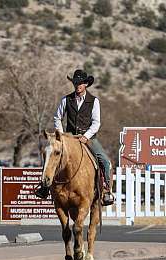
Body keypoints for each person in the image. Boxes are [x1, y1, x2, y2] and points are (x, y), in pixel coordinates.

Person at [35, 69, 115, 206]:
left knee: (105, 161)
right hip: (69, 138)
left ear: (86, 84)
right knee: (52, 156)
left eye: (81, 83)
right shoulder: (66, 99)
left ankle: (106, 191)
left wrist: (86, 136)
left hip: (88, 138)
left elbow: (96, 123)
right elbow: (57, 118)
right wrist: (61, 135)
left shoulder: (94, 101)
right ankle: (44, 187)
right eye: (76, 83)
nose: (78, 85)